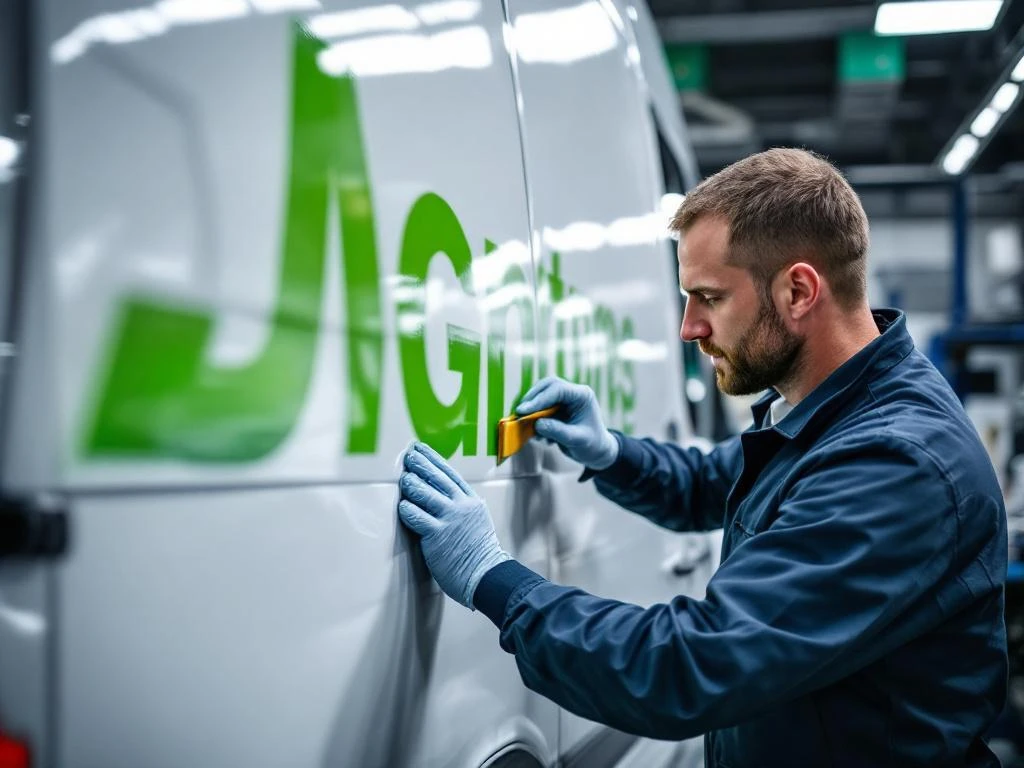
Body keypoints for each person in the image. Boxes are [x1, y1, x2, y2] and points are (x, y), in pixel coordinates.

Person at [397, 148, 1008, 767]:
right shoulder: (831, 412)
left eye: (708, 297)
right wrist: (612, 454)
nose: (689, 327)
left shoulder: (895, 463)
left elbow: (689, 665)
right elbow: (716, 481)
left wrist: (491, 578)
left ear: (798, 290)